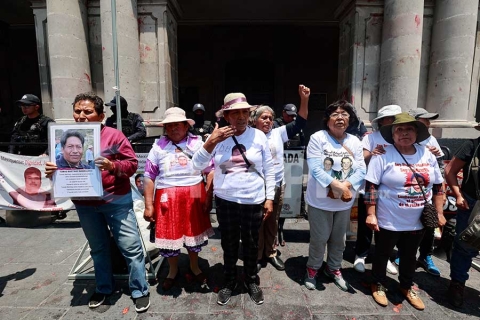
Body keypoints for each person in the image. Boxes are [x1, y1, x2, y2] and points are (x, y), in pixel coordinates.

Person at [45, 92, 150, 313]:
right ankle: (104, 288)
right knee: (98, 248)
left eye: (88, 111)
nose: (81, 115)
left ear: (101, 115)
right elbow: (60, 167)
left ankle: (139, 289)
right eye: (78, 111)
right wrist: (51, 171)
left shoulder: (114, 135)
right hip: (85, 204)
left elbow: (131, 164)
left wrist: (113, 167)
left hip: (116, 201)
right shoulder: (63, 137)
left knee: (130, 248)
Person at [192, 92, 275, 306]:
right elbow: (197, 166)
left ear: (249, 114)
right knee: (228, 243)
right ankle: (229, 280)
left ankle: (251, 280)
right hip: (225, 200)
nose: (240, 116)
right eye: (234, 112)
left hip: (253, 199)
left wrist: (269, 198)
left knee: (251, 242)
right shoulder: (216, 137)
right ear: (226, 116)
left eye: (244, 112)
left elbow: (270, 169)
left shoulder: (258, 136)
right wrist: (211, 142)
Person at [365, 112, 445, 311]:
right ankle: (378, 283)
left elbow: (437, 185)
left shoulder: (427, 154)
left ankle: (406, 286)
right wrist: (371, 213)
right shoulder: (383, 154)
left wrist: (440, 212)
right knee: (382, 254)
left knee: (410, 255)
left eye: (409, 129)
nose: (404, 133)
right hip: (389, 218)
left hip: (418, 219)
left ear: (417, 132)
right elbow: (371, 186)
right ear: (392, 135)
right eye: (399, 129)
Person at [143, 107, 214, 291]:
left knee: (194, 235)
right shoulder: (158, 146)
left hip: (195, 191)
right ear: (165, 128)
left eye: (178, 124)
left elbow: (210, 170)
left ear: (185, 125)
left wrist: (208, 196)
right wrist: (148, 205)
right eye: (170, 125)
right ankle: (172, 270)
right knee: (170, 234)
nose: (174, 128)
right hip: (167, 195)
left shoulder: (198, 143)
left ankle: (194, 266)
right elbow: (149, 176)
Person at [304, 100, 366, 292]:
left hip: (344, 202)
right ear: (327, 119)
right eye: (335, 114)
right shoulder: (318, 138)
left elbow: (361, 169)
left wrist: (345, 187)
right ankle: (312, 268)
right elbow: (314, 168)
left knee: (339, 239)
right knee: (319, 238)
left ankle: (334, 268)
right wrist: (336, 185)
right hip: (320, 200)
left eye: (345, 114)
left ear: (350, 119)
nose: (340, 118)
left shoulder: (354, 141)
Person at [250, 84, 310, 272]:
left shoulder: (278, 132)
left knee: (273, 221)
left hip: (276, 185)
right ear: (255, 120)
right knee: (257, 221)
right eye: (263, 117)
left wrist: (304, 99)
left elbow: (300, 121)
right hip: (256, 186)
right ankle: (258, 255)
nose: (267, 121)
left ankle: (271, 252)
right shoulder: (249, 135)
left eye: (269, 117)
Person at [390, 108, 446, 276]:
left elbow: (440, 168)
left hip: (426, 194)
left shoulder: (431, 140)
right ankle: (402, 254)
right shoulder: (397, 142)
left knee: (428, 227)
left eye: (428, 121)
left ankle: (426, 256)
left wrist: (440, 199)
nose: (427, 123)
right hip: (403, 195)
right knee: (405, 228)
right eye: (424, 120)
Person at [353, 104, 402, 275]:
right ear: (382, 121)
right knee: (365, 224)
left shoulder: (399, 138)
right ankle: (361, 255)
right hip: (369, 187)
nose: (395, 121)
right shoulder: (370, 138)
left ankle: (385, 257)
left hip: (392, 190)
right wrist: (372, 153)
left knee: (387, 226)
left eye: (396, 118)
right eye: (391, 118)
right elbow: (361, 159)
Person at [444, 127, 480, 307]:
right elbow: (450, 170)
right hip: (473, 204)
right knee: (465, 246)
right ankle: (457, 284)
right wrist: (458, 195)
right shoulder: (472, 145)